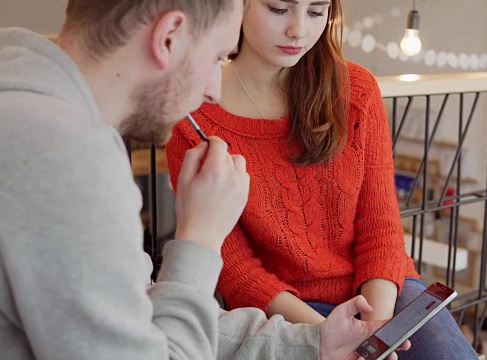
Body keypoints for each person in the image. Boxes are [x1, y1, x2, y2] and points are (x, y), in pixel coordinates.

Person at [0, 0, 410, 359]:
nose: (214, 90)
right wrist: (199, 240)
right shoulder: (66, 163)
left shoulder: (32, 86)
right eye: (218, 56)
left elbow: (141, 311)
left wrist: (312, 344)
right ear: (169, 37)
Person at [166, 0, 478, 359]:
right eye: (278, 9)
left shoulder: (356, 91)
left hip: (384, 289)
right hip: (287, 309)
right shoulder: (195, 117)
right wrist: (325, 338)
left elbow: (381, 227)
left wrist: (371, 337)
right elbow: (236, 269)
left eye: (316, 12)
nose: (299, 30)